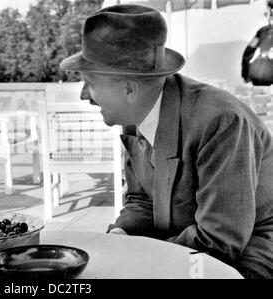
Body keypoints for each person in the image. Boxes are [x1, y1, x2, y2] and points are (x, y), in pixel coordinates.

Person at [60, 4, 273, 279]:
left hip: (249, 249)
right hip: (182, 243)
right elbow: (140, 200)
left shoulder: (220, 121)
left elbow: (221, 241)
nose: (84, 95)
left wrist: (138, 257)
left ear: (129, 88)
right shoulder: (136, 115)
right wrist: (120, 235)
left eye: (89, 81)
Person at [241, 0, 273, 85]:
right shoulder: (263, 31)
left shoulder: (263, 31)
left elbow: (248, 52)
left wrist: (245, 74)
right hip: (263, 74)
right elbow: (248, 51)